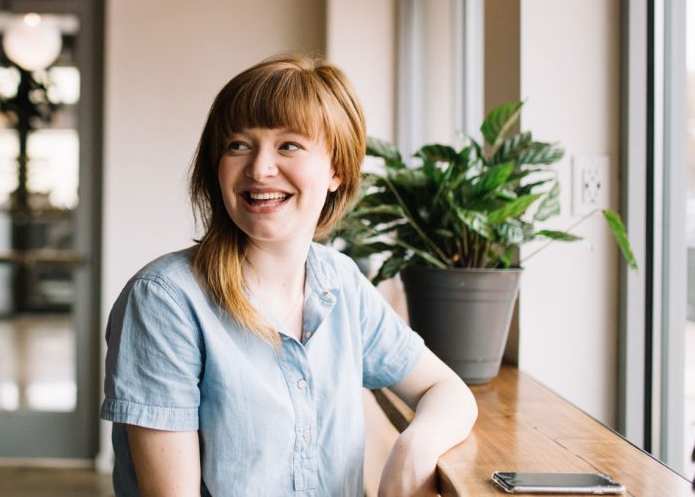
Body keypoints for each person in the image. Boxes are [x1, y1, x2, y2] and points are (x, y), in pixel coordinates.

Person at [100, 54, 477, 496]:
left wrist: (414, 447)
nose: (259, 168)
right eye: (238, 145)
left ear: (337, 169)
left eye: (289, 145)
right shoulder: (164, 300)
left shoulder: (340, 281)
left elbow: (445, 389)